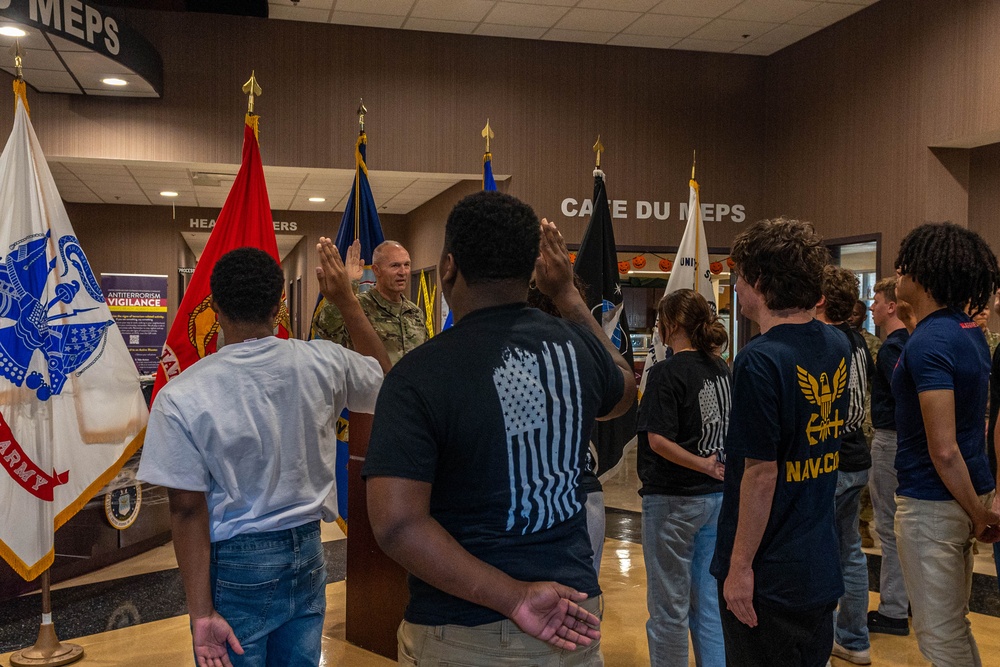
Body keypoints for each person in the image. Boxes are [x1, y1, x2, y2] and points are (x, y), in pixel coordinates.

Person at [363, 191, 637, 666]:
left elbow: (398, 523)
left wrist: (514, 597)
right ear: (533, 268)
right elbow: (624, 390)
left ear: (448, 267)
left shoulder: (419, 374)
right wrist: (569, 297)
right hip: (574, 616)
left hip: (471, 631)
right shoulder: (576, 347)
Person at [137, 245, 390, 667]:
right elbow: (383, 377)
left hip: (237, 564)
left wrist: (201, 614)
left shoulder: (180, 395)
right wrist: (345, 298)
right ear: (280, 305)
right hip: (308, 551)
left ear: (214, 306)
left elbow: (185, 509)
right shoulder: (322, 361)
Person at [710, 217, 850, 667]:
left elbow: (761, 472)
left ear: (760, 282)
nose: (736, 287)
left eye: (739, 276)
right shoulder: (836, 343)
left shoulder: (759, 359)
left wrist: (739, 568)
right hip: (817, 563)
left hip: (770, 575)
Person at [892, 222, 1000, 667]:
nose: (897, 272)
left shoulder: (930, 342)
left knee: (939, 637)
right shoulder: (968, 331)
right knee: (955, 627)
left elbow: (944, 448)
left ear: (926, 273)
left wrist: (979, 514)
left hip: (935, 503)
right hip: (965, 493)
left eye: (905, 265)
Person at [638, 289, 731, 667]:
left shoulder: (666, 371)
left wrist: (703, 464)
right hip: (715, 499)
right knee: (708, 602)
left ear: (670, 325)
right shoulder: (722, 368)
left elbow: (658, 440)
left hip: (675, 499)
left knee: (668, 607)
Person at [528, 275, 608, 578]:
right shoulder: (581, 348)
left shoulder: (517, 350)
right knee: (583, 598)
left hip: (539, 490)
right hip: (579, 484)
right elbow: (617, 386)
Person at [816, 266, 874, 666]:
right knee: (850, 549)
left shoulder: (825, 342)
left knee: (820, 549)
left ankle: (819, 637)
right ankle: (854, 638)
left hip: (831, 459)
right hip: (857, 455)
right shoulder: (858, 342)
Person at [865, 277, 911, 637]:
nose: (872, 306)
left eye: (877, 300)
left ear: (892, 306)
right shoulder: (903, 344)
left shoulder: (893, 348)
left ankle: (894, 607)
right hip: (900, 439)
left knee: (889, 526)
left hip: (892, 439)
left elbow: (904, 398)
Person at [311, 238, 427, 365]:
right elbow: (327, 332)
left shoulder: (415, 313)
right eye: (395, 266)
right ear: (376, 270)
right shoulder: (357, 307)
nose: (403, 272)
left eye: (407, 265)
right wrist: (347, 287)